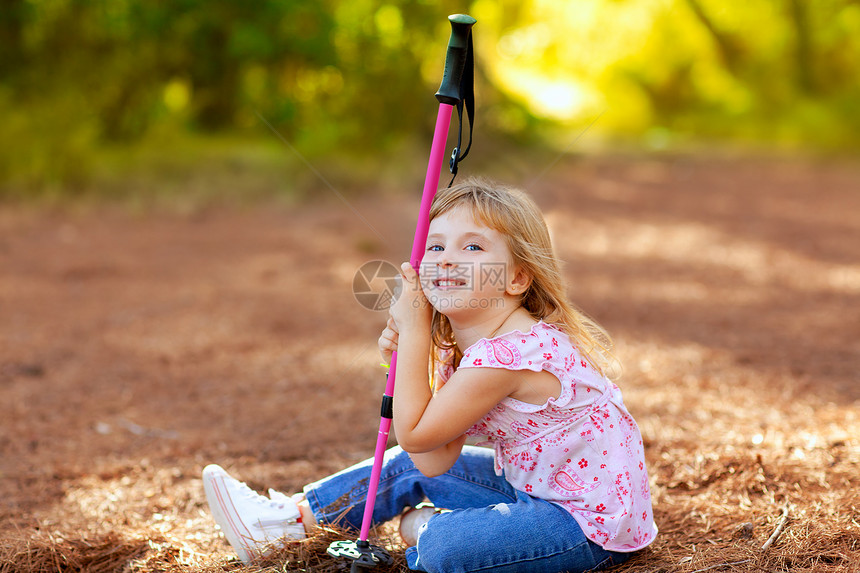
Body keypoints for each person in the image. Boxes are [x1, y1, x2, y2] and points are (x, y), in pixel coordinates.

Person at [202, 178, 657, 572]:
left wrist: (416, 334)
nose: (445, 259)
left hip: (587, 524)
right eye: (436, 246)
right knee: (400, 467)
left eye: (472, 247)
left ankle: (431, 529)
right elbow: (430, 461)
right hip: (535, 488)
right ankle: (286, 521)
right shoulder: (471, 346)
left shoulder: (509, 355)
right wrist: (409, 356)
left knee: (442, 546)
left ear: (516, 279)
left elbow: (418, 435)